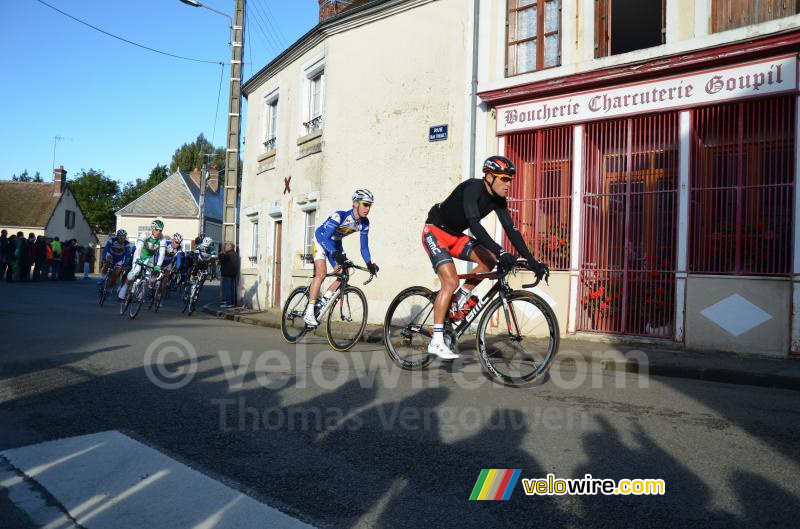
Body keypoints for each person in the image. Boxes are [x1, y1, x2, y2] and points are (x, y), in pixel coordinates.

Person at [421, 155, 548, 359]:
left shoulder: (499, 200)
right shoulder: (473, 188)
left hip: (454, 236)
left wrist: (533, 262)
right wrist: (501, 251)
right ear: (489, 176)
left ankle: (458, 301)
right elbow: (474, 224)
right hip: (435, 231)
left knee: (488, 260)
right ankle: (436, 341)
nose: (508, 184)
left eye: (510, 180)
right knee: (450, 281)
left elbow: (511, 230)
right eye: (504, 179)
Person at [303, 189, 379, 326]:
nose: (367, 209)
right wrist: (335, 253)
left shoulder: (364, 223)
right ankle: (309, 311)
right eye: (365, 204)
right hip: (320, 240)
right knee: (321, 274)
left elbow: (364, 247)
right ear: (355, 203)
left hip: (335, 243)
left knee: (343, 274)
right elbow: (326, 237)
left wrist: (369, 263)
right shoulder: (340, 216)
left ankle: (323, 301)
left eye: (370, 205)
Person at [117, 220, 166, 301]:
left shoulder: (162, 239)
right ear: (152, 229)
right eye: (157, 230)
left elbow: (162, 253)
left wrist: (158, 265)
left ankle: (140, 296)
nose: (159, 232)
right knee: (136, 270)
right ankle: (124, 289)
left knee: (148, 277)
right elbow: (139, 247)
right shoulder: (145, 234)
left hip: (149, 258)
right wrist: (137, 259)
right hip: (139, 255)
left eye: (160, 230)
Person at [159, 233, 184, 298]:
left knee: (166, 278)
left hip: (168, 262)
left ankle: (160, 296)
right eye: (176, 242)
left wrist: (177, 268)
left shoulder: (179, 248)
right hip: (160, 260)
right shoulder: (166, 243)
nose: (178, 244)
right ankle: (151, 288)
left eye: (179, 243)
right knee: (155, 274)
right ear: (172, 240)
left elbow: (178, 259)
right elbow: (158, 253)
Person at [218, 242, 240, 308]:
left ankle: (228, 303)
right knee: (232, 289)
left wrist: (220, 255)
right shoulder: (236, 254)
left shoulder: (228, 254)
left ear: (230, 247)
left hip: (227, 274)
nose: (225, 248)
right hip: (233, 274)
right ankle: (232, 303)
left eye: (227, 246)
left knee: (227, 289)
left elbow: (221, 261)